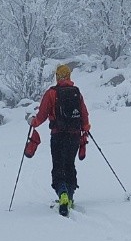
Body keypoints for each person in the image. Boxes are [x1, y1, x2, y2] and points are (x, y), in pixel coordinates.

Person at [26, 63, 90, 215]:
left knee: (58, 166)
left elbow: (41, 115)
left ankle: (62, 194)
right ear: (68, 76)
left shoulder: (51, 93)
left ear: (57, 77)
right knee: (70, 165)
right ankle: (71, 196)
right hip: (74, 136)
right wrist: (85, 128)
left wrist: (32, 122)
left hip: (58, 136)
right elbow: (84, 114)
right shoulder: (76, 92)